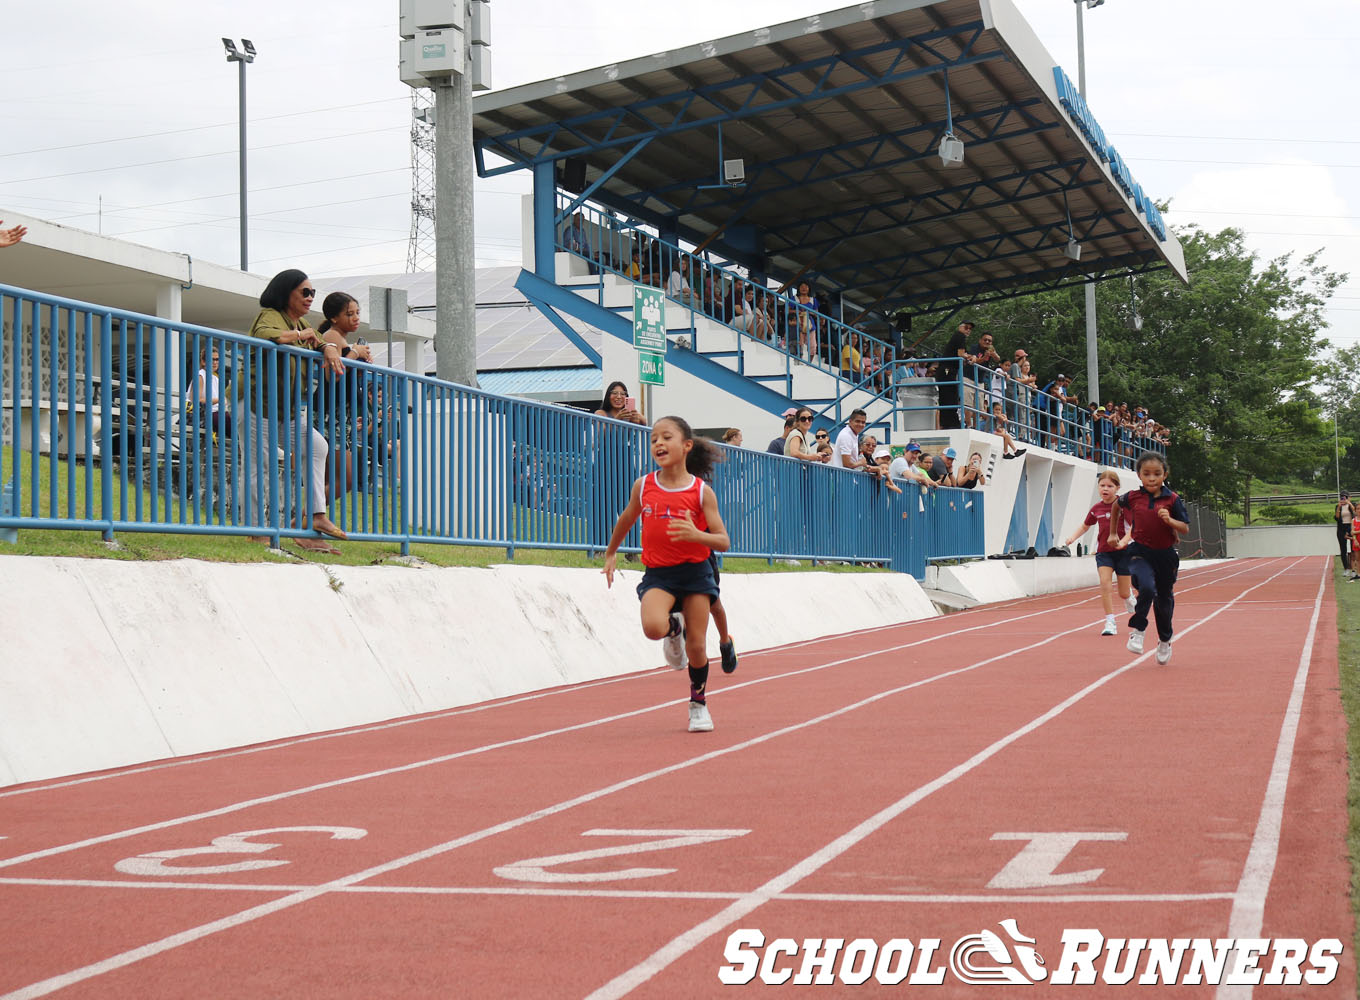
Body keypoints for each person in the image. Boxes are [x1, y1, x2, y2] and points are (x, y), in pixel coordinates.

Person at [602, 415, 731, 733]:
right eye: (654, 439)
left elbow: (723, 541)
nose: (658, 443)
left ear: (686, 446)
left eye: (666, 437)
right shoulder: (644, 485)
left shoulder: (701, 492)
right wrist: (610, 552)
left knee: (698, 648)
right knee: (652, 627)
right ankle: (674, 629)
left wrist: (696, 535)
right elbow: (627, 518)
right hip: (659, 573)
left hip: (695, 574)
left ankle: (698, 704)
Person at [246, 269, 348, 553]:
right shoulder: (270, 314)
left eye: (313, 293)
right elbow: (267, 335)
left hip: (284, 409)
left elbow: (321, 338)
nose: (310, 297)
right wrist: (302, 335)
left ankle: (315, 518)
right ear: (286, 291)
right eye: (305, 292)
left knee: (316, 447)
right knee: (260, 464)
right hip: (255, 401)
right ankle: (257, 531)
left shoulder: (301, 321)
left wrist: (327, 347)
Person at [1114, 452, 1190, 665]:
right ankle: (1138, 630)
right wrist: (1113, 533)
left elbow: (1184, 528)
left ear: (1165, 474)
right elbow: (1115, 506)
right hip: (1140, 552)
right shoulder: (1132, 497)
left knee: (1164, 602)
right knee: (1146, 589)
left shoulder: (1172, 499)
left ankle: (1165, 640)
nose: (1152, 478)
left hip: (1165, 556)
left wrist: (1170, 520)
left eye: (1157, 473)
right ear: (1139, 475)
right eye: (1146, 474)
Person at [1064, 470, 1136, 636]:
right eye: (1102, 486)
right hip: (1104, 553)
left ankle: (1129, 596)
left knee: (1123, 592)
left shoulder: (1123, 506)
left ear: (1117, 488)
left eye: (1110, 486)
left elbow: (1134, 527)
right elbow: (1085, 526)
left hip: (1123, 552)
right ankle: (1110, 621)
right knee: (1105, 584)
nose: (1105, 489)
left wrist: (1124, 541)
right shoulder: (1096, 508)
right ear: (1098, 488)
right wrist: (1072, 538)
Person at [934, 320, 972, 429]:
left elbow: (962, 354)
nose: (968, 330)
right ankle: (951, 424)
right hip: (947, 370)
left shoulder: (958, 338)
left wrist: (968, 357)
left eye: (970, 329)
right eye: (966, 327)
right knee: (949, 397)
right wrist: (969, 357)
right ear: (960, 327)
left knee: (948, 397)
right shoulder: (960, 336)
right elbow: (961, 354)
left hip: (948, 370)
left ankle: (948, 423)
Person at [1334, 491, 1357, 579]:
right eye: (1342, 497)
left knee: (1353, 549)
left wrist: (1349, 504)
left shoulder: (1352, 505)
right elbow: (1336, 517)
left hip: (1351, 527)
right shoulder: (1338, 506)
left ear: (1349, 497)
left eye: (1345, 497)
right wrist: (1339, 507)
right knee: (1343, 550)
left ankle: (1354, 570)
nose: (1344, 499)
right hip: (1341, 529)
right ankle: (1346, 568)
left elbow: (1355, 514)